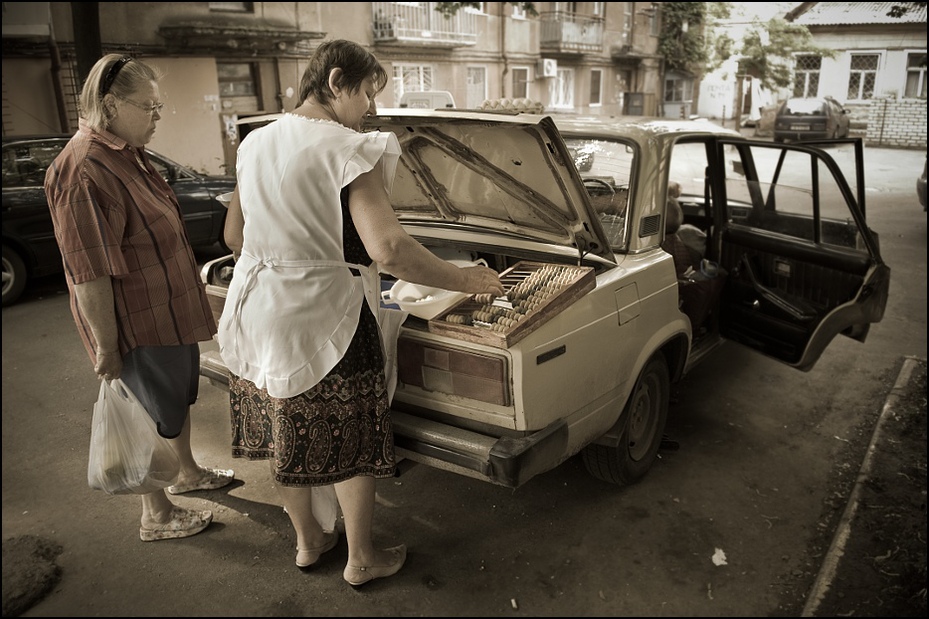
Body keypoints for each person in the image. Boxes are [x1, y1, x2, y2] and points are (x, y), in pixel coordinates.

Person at [217, 39, 504, 586]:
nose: (371, 108)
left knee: (286, 431)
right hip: (325, 317)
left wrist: (286, 257)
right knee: (351, 436)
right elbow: (389, 249)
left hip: (256, 311)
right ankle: (361, 559)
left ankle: (308, 542)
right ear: (336, 81)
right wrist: (467, 280)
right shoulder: (350, 148)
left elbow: (235, 235)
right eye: (369, 93)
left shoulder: (254, 143)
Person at [44, 53, 234, 542]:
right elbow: (89, 271)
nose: (157, 116)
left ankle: (187, 473)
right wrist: (107, 347)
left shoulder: (124, 151)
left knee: (174, 400)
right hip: (137, 323)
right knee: (150, 411)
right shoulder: (83, 168)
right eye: (148, 107)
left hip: (167, 312)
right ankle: (157, 512)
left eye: (160, 105)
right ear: (109, 105)